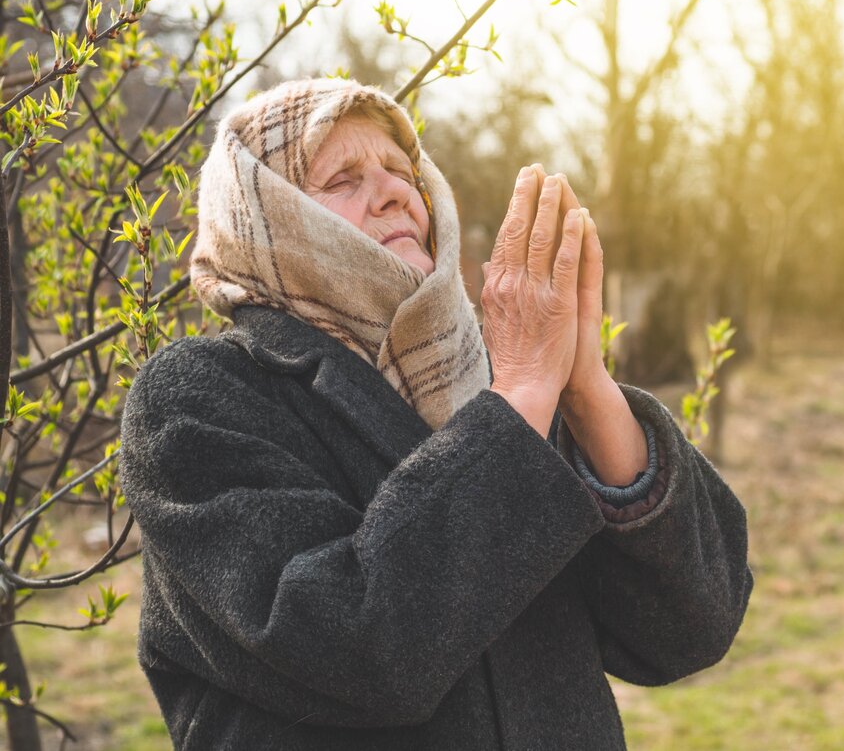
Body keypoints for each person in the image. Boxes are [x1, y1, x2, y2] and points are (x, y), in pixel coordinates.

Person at [119, 78, 752, 750]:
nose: (394, 190)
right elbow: (360, 649)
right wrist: (526, 391)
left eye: (400, 169)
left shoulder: (496, 381)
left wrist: (586, 386)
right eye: (344, 178)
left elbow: (692, 624)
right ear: (269, 216)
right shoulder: (197, 397)